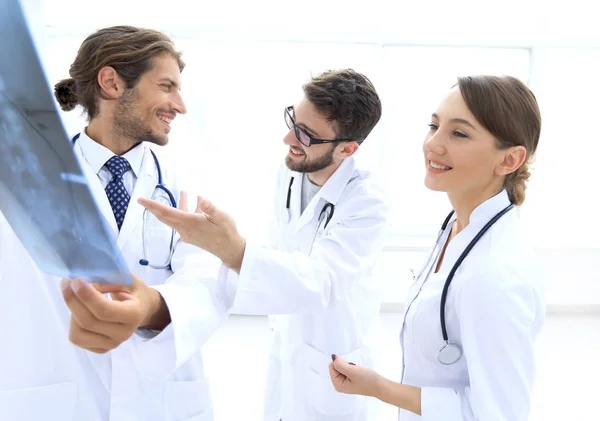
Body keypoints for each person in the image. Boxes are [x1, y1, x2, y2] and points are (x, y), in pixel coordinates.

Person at [0, 26, 234, 421]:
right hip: (59, 394)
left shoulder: (186, 179)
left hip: (160, 399)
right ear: (111, 82)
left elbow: (210, 274)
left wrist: (152, 307)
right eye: (166, 86)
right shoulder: (25, 179)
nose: (180, 104)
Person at [139, 69, 389, 420]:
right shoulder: (291, 171)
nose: (289, 138)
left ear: (347, 149)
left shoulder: (367, 201)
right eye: (293, 120)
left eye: (306, 134)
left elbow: (322, 281)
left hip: (337, 360)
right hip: (289, 346)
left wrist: (233, 249)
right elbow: (283, 253)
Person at [327, 75, 546, 421]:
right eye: (434, 125)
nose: (432, 144)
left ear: (509, 160)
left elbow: (500, 415)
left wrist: (378, 387)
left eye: (458, 133)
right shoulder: (459, 225)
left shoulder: (494, 277)